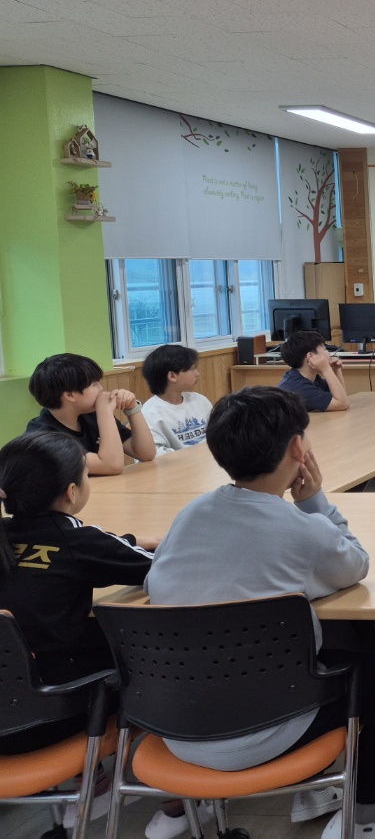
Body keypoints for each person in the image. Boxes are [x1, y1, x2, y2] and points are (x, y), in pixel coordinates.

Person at [145, 386, 375, 839]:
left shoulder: (188, 515)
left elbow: (155, 586)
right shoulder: (301, 529)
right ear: (298, 447)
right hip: (268, 731)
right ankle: (366, 816)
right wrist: (315, 501)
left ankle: (188, 805)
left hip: (176, 726)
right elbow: (355, 565)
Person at [0, 432, 158, 831]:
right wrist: (131, 545)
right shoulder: (75, 540)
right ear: (72, 492)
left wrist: (121, 543)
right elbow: (159, 567)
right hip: (54, 719)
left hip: (6, 723)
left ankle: (92, 780)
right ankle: (172, 796)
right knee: (148, 654)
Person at [26, 352, 156, 475]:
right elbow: (112, 465)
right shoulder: (44, 438)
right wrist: (105, 412)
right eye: (95, 385)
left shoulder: (90, 416)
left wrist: (132, 408)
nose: (101, 389)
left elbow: (146, 453)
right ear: (70, 395)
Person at [141, 344, 213, 454]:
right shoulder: (151, 412)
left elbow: (218, 433)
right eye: (192, 369)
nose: (197, 374)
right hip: (178, 463)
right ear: (172, 376)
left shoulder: (200, 401)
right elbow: (154, 453)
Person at [276, 329, 350, 412]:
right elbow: (342, 404)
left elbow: (341, 396)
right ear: (311, 356)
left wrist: (336, 370)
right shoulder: (299, 387)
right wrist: (326, 370)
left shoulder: (310, 378)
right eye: (325, 349)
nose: (329, 353)